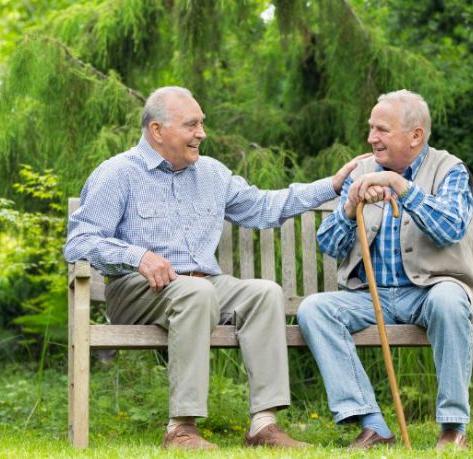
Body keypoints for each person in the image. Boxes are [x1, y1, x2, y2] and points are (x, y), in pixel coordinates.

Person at [64, 86, 367, 450]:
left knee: (264, 294)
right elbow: (79, 241)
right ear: (157, 130)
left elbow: (264, 207)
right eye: (191, 125)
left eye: (202, 124)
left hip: (201, 287)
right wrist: (137, 256)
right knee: (198, 292)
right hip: (136, 291)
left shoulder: (211, 174)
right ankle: (181, 428)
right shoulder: (118, 173)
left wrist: (332, 185)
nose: (202, 134)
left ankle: (264, 426)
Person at [297, 89, 473, 450]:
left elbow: (451, 228)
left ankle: (453, 426)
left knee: (449, 301)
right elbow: (329, 245)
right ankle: (373, 424)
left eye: (382, 129)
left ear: (415, 136)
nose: (371, 138)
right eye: (371, 128)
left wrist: (402, 187)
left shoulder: (450, 170)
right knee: (314, 309)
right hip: (370, 296)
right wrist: (350, 207)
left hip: (430, 291)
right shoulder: (362, 172)